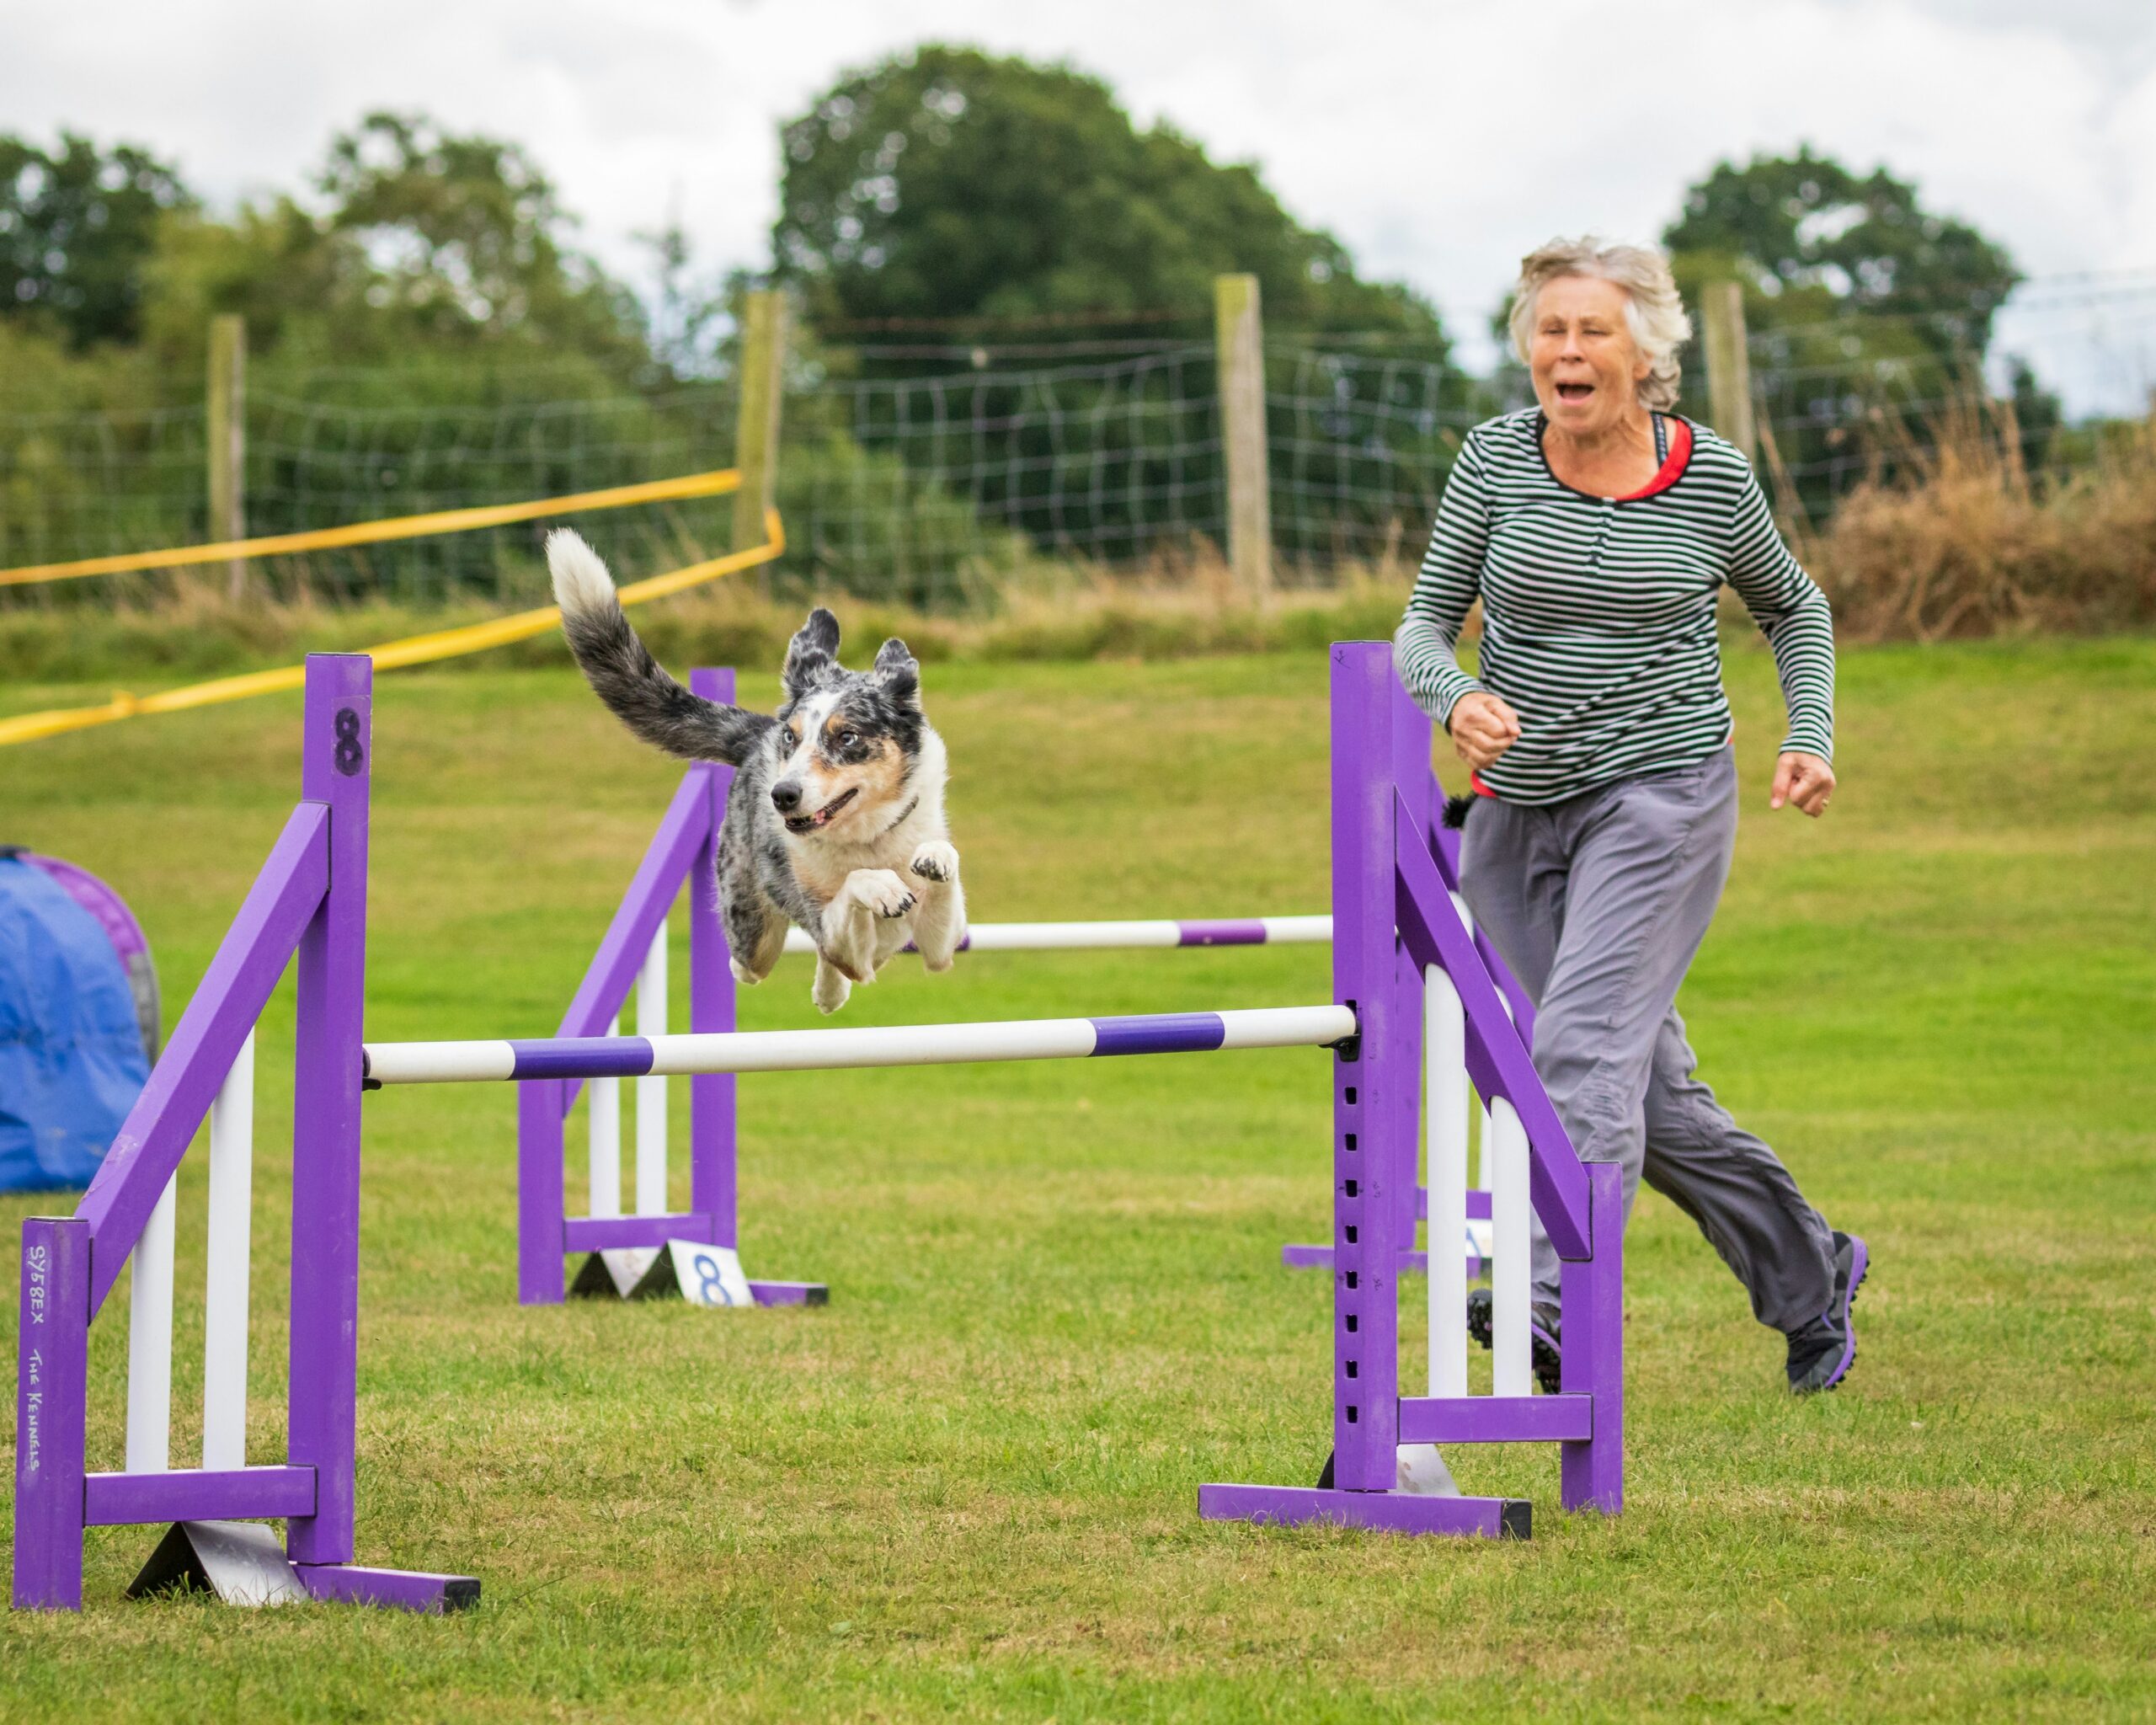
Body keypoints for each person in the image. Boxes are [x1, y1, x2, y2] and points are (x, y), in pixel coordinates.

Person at [1395, 236, 1865, 1393]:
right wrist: (1458, 701)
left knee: (1581, 1052)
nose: (1567, 350)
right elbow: (1421, 630)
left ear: (1643, 349)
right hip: (1517, 816)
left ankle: (1549, 1302)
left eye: (1592, 329)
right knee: (1643, 1093)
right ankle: (1815, 1272)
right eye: (1550, 330)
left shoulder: (1711, 476)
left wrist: (1810, 733)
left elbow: (1794, 611)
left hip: (1662, 797)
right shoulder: (1494, 461)